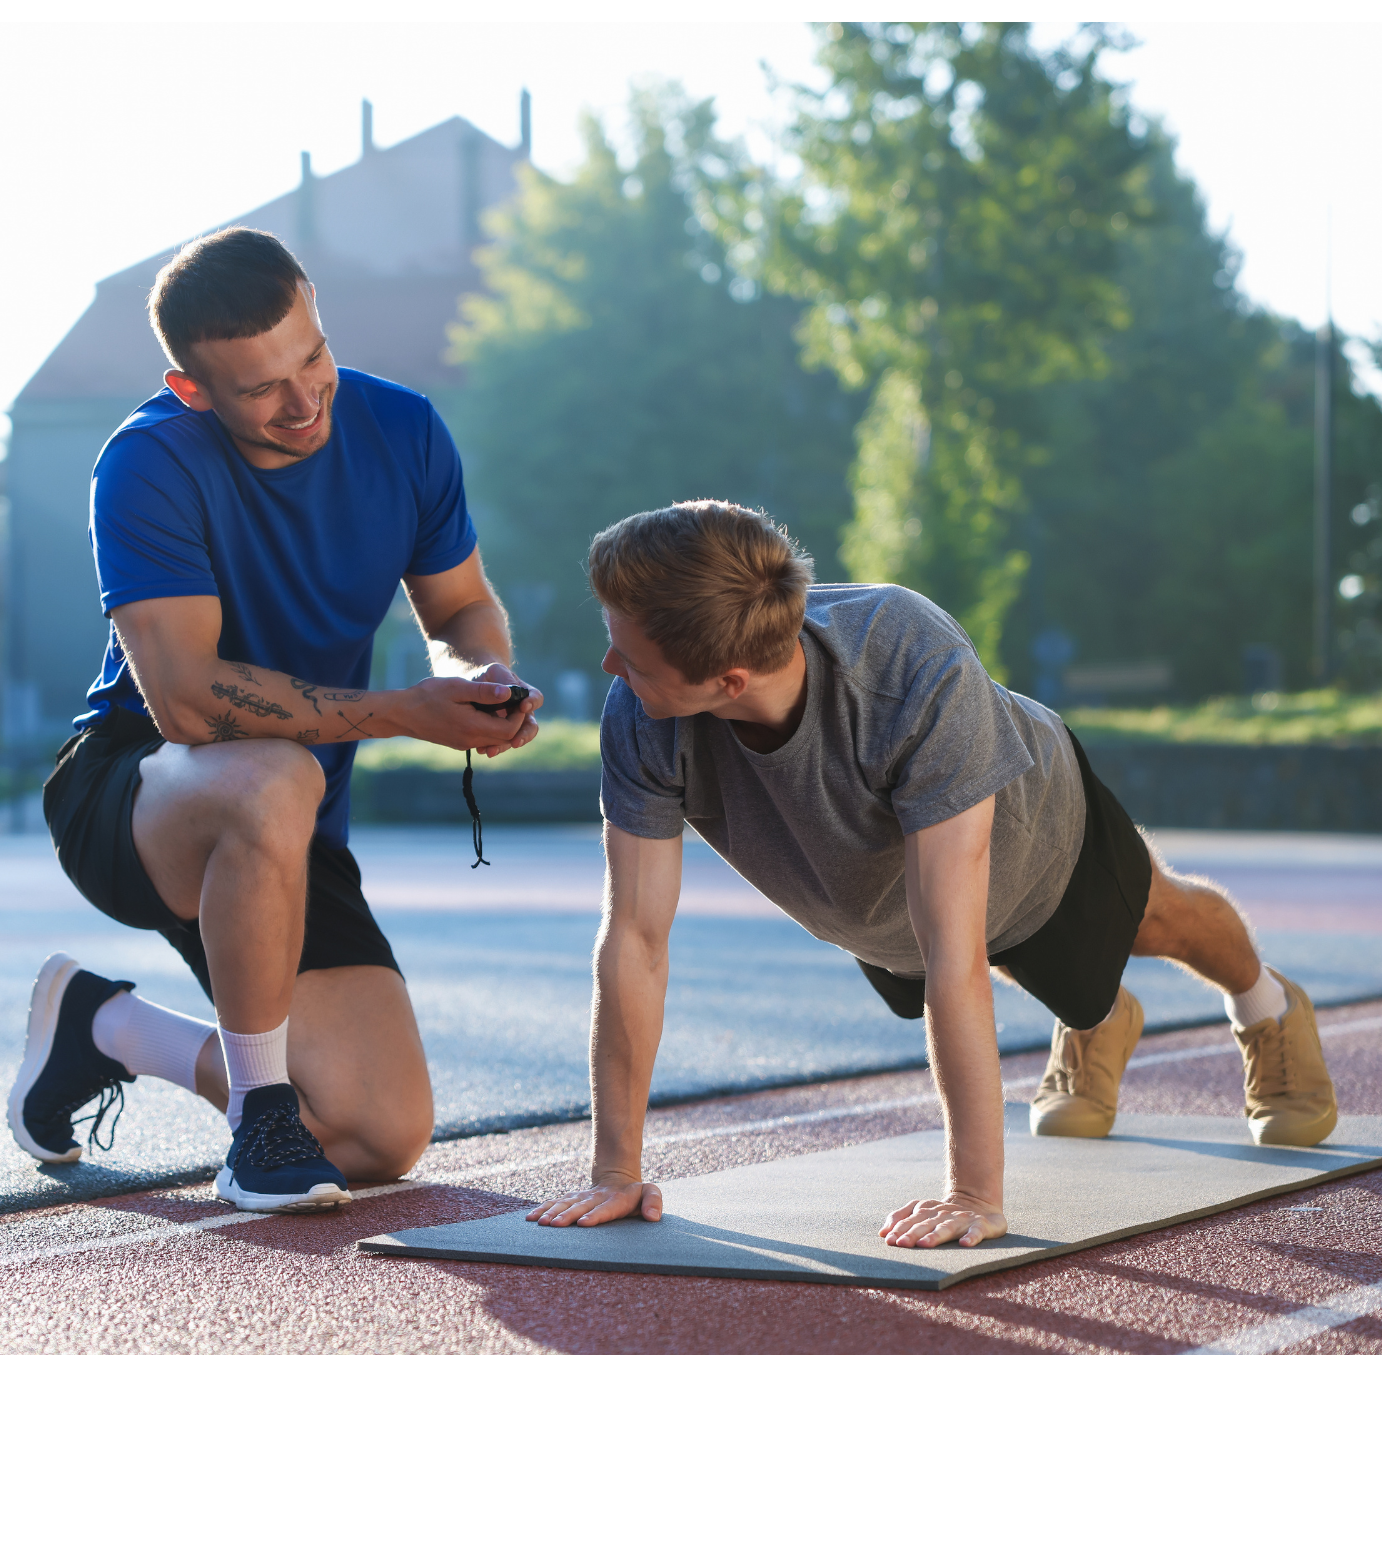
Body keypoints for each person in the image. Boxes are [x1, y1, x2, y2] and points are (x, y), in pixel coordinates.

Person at [527, 500, 1339, 1251]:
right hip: (873, 898)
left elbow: (955, 949)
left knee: (1158, 921)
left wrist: (973, 1194)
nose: (609, 664)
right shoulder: (645, 708)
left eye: (629, 654)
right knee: (1008, 959)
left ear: (728, 681)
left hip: (1040, 834)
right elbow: (635, 937)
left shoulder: (909, 663)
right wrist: (615, 1172)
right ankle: (1095, 1015)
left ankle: (1266, 1007)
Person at [10, 227, 541, 1213]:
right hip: (137, 789)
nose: (303, 402)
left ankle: (101, 1027)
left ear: (317, 316)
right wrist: (402, 713)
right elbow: (186, 701)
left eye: (313, 358)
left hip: (290, 821)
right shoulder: (144, 463)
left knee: (376, 1133)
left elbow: (460, 604)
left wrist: (477, 675)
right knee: (273, 773)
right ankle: (260, 1122)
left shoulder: (406, 430)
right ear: (192, 390)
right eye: (261, 389)